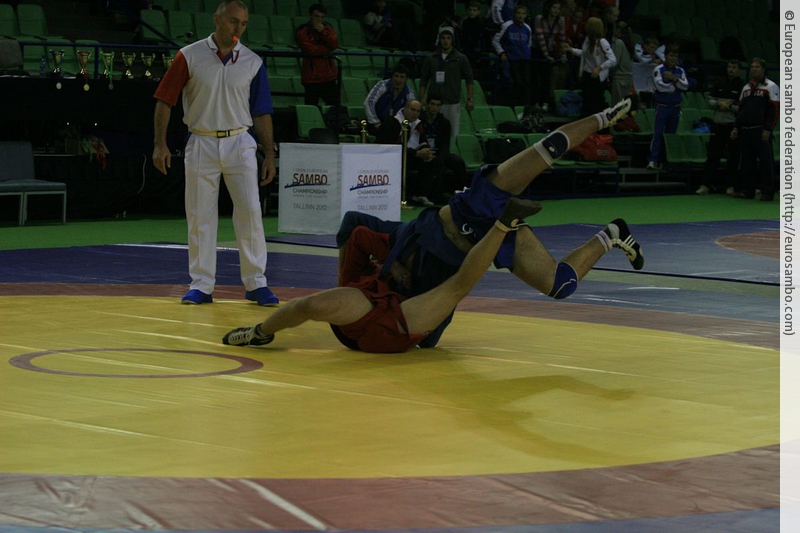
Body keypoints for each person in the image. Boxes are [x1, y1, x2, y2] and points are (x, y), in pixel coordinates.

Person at [334, 96, 642, 347]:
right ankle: (613, 234)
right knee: (559, 286)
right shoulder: (410, 314)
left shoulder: (385, 252)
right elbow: (432, 335)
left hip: (469, 211)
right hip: (486, 241)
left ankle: (605, 117)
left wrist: (378, 268)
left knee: (545, 151)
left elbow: (352, 224)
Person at [222, 198, 544, 352]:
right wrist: (387, 267)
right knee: (309, 305)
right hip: (371, 316)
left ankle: (505, 222)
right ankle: (258, 332)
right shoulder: (400, 239)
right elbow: (358, 233)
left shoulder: (425, 252)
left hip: (398, 321)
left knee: (455, 288)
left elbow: (455, 290)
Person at [152, 0, 278, 306]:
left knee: (250, 212)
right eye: (233, 21)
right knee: (200, 214)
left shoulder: (252, 62)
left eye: (243, 24)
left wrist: (269, 154)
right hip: (201, 140)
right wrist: (160, 144)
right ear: (217, 19)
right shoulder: (189, 55)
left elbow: (262, 112)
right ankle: (201, 284)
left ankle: (256, 282)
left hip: (240, 141)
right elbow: (164, 100)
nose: (238, 28)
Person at [376, 99, 444, 207]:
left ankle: (421, 194)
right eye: (412, 110)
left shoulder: (417, 124)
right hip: (390, 157)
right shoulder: (392, 122)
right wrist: (416, 153)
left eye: (418, 111)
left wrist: (426, 152)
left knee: (432, 161)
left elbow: (423, 141)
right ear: (405, 109)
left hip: (409, 155)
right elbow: (392, 147)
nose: (415, 113)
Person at [730, 57, 779, 201]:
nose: (754, 69)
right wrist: (736, 127)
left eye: (757, 67)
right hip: (746, 129)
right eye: (752, 67)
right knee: (747, 162)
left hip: (761, 130)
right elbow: (741, 109)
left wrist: (768, 129)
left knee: (765, 162)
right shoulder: (746, 88)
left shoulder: (771, 86)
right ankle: (748, 191)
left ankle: (767, 192)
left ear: (763, 69)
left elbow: (774, 110)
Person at [419, 26, 475, 139]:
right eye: (443, 38)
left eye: (448, 38)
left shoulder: (461, 58)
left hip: (452, 102)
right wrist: (422, 97)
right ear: (439, 40)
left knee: (452, 134)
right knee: (431, 133)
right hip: (433, 102)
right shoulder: (431, 58)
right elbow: (424, 79)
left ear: (452, 40)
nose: (445, 41)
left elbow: (469, 79)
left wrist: (470, 99)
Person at [696, 59, 742, 195]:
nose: (731, 69)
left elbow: (743, 107)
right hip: (717, 125)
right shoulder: (719, 83)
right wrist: (719, 104)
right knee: (713, 155)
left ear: (739, 70)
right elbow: (710, 101)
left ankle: (731, 186)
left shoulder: (742, 86)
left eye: (734, 67)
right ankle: (706, 185)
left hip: (733, 126)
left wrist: (730, 106)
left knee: (733, 157)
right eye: (729, 67)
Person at [563, 17, 616, 118]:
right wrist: (571, 50)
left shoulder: (602, 42)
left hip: (597, 77)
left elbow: (613, 59)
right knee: (586, 102)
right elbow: (584, 54)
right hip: (587, 75)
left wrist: (600, 68)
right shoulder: (588, 40)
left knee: (596, 103)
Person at [646, 44, 688, 170]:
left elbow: (685, 86)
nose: (673, 58)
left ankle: (665, 161)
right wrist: (676, 85)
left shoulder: (680, 70)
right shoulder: (658, 69)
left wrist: (673, 79)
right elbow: (660, 86)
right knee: (658, 133)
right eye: (671, 55)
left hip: (675, 107)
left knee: (671, 135)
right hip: (662, 107)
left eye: (676, 56)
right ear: (666, 56)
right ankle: (653, 160)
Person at [420, 95, 468, 199]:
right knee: (432, 163)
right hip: (423, 152)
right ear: (427, 105)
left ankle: (458, 193)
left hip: (439, 152)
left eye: (438, 105)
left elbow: (445, 145)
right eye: (432, 104)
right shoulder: (419, 120)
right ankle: (435, 195)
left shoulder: (445, 122)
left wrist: (439, 158)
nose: (434, 107)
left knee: (458, 162)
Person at [295, 3, 339, 106]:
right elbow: (312, 51)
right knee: (311, 107)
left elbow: (334, 44)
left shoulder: (327, 29)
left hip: (328, 76)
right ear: (310, 15)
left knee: (335, 107)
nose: (319, 20)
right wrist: (327, 48)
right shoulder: (303, 32)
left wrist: (323, 31)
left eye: (321, 17)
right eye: (316, 16)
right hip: (311, 77)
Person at [492, 4, 533, 107]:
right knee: (517, 82)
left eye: (523, 13)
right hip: (513, 59)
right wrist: (501, 53)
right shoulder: (506, 26)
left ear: (526, 15)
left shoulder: (528, 28)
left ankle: (525, 106)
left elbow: (529, 43)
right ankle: (515, 105)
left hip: (525, 59)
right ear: (514, 14)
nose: (520, 15)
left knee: (527, 83)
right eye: (518, 13)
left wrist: (527, 53)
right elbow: (496, 40)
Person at [532, 0, 567, 112]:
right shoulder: (539, 19)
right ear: (548, 8)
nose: (556, 10)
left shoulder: (560, 20)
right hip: (537, 50)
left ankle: (545, 102)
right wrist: (546, 55)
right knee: (536, 77)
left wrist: (563, 54)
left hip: (550, 48)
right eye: (554, 8)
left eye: (558, 8)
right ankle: (535, 102)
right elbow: (540, 37)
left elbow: (562, 38)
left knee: (548, 77)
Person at [363, 64, 416, 135]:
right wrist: (376, 122)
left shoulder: (409, 93)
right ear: (392, 76)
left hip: (397, 126)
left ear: (406, 79)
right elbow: (368, 103)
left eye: (402, 77)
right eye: (396, 76)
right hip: (377, 123)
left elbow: (412, 111)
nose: (398, 80)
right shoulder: (382, 86)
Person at [609, 19, 634, 105]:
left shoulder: (619, 42)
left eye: (614, 29)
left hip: (619, 79)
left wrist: (606, 70)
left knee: (617, 107)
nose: (613, 31)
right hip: (628, 79)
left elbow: (615, 62)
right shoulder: (630, 43)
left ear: (618, 30)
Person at [460, 0, 485, 71]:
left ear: (478, 12)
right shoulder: (465, 22)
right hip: (466, 48)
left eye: (474, 10)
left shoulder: (480, 23)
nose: (472, 12)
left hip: (476, 49)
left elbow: (478, 39)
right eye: (470, 10)